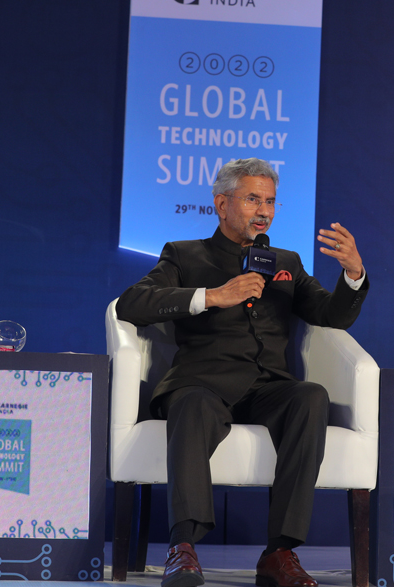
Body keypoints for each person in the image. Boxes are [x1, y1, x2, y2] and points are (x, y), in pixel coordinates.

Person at [116, 158, 368, 587]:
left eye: (269, 201)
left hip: (268, 387)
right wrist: (212, 296)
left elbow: (332, 315)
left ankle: (279, 553)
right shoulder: (184, 254)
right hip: (203, 382)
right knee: (191, 403)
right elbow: (132, 303)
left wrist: (353, 273)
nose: (264, 211)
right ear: (221, 204)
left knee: (310, 396)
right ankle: (183, 548)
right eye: (253, 200)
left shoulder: (287, 262)